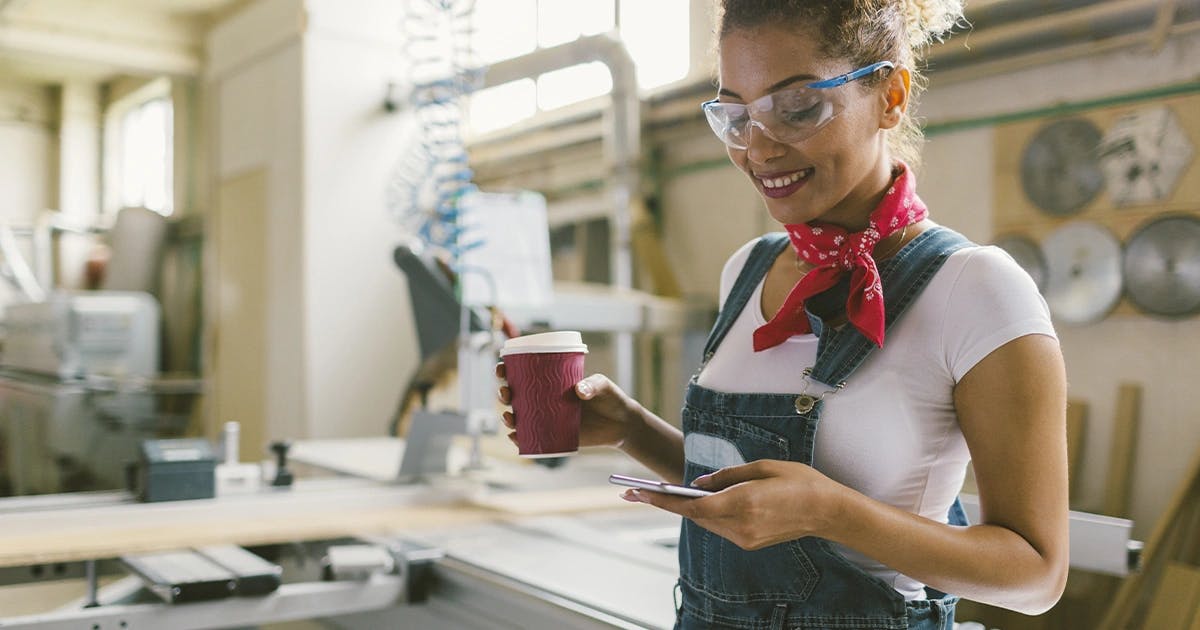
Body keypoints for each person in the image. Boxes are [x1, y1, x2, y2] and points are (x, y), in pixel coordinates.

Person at [497, 1, 1069, 628]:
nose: (758, 149)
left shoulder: (976, 288)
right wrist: (632, 429)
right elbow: (748, 493)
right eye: (735, 116)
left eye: (796, 109)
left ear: (891, 95)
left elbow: (1037, 574)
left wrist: (830, 511)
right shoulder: (748, 270)